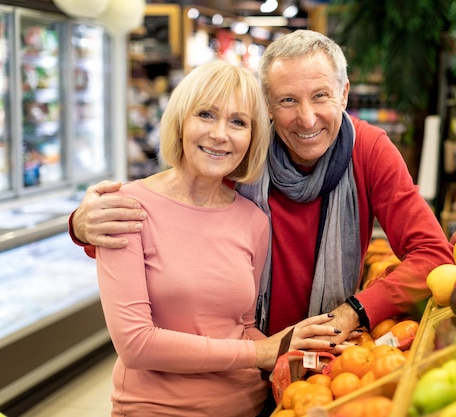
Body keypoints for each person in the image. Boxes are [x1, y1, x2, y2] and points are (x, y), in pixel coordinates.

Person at [70, 29, 453, 345]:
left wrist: (354, 311)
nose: (306, 118)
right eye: (288, 100)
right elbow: (168, 208)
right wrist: (82, 225)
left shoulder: (368, 151)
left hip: (327, 352)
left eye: (320, 96)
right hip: (235, 355)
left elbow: (433, 254)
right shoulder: (239, 150)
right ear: (267, 105)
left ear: (345, 93)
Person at [94, 60, 339, 417]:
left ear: (252, 138)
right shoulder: (125, 209)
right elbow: (136, 345)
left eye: (238, 122)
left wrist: (293, 349)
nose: (220, 134)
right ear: (180, 121)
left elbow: (242, 327)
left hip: (249, 406)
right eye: (206, 115)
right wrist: (261, 352)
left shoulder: (253, 221)